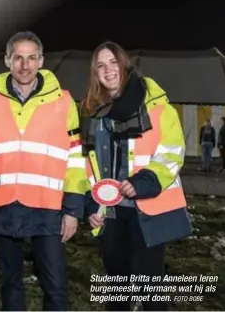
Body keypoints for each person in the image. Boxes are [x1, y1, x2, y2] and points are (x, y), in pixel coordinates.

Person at [0, 31, 85, 311]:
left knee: (55, 285)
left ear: (41, 61)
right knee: (10, 283)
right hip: (2, 205)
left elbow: (75, 158)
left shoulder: (63, 101)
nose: (25, 65)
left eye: (32, 58)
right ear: (7, 61)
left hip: (48, 206)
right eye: (19, 58)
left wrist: (72, 209)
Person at [80, 41, 192, 311]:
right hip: (112, 213)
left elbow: (172, 151)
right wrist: (91, 203)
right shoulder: (94, 112)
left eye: (113, 62)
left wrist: (144, 181)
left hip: (147, 209)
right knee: (117, 290)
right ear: (95, 74)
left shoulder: (155, 104)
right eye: (100, 66)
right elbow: (87, 164)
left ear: (124, 64)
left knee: (151, 290)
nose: (108, 70)